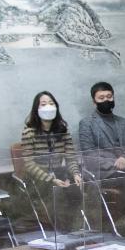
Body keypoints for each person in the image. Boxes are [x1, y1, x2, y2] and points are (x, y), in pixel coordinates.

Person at [20, 91, 85, 231]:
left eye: (51, 103)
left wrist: (75, 174)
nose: (48, 107)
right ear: (36, 109)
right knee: (58, 195)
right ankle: (61, 232)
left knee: (78, 192)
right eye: (43, 104)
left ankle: (77, 230)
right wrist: (51, 179)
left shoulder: (63, 130)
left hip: (59, 172)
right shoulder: (29, 132)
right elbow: (29, 164)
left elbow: (70, 156)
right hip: (38, 177)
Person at [77, 82, 125, 180]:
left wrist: (124, 158)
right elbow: (89, 154)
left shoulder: (123, 122)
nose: (106, 100)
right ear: (94, 101)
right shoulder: (86, 123)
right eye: (101, 98)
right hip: (103, 174)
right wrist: (116, 164)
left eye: (109, 96)